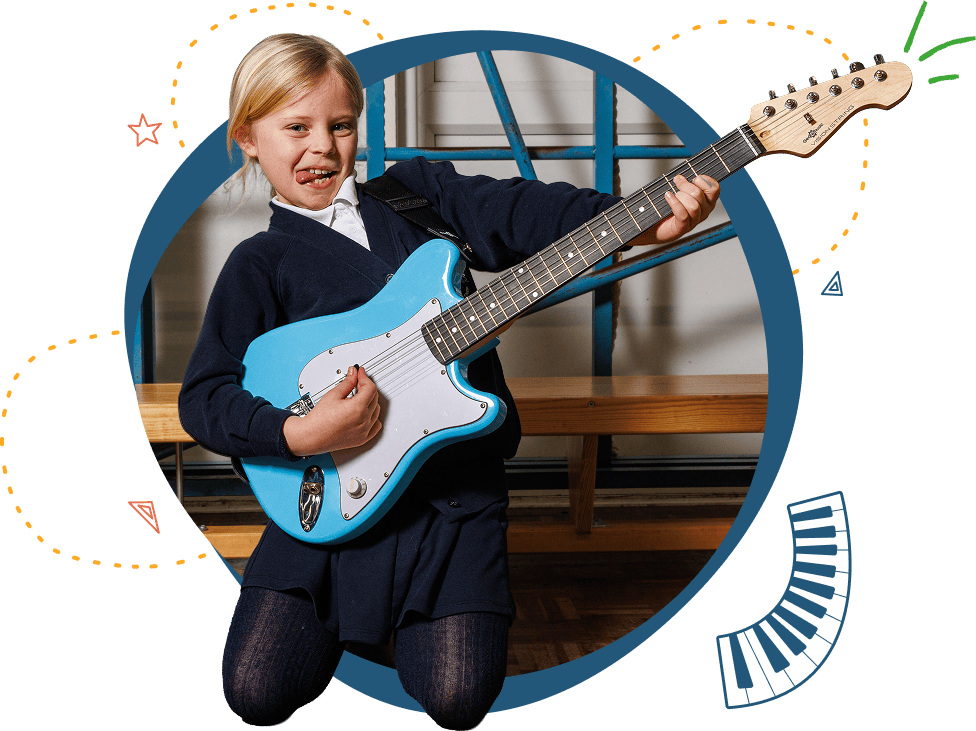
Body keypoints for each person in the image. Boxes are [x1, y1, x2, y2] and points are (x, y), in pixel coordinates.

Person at [179, 32, 720, 729]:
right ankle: (365, 618)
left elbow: (531, 212)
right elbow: (205, 396)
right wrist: (296, 429)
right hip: (328, 509)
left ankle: (403, 623)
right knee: (255, 692)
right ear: (248, 138)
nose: (321, 147)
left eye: (341, 125)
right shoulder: (258, 263)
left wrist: (642, 223)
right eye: (296, 127)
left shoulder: (417, 196)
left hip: (451, 499)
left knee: (457, 699)